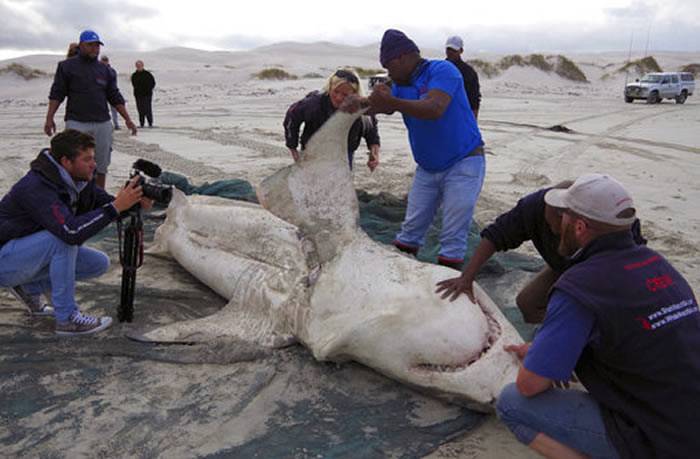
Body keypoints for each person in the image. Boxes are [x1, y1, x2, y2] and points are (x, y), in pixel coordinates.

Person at [496, 173, 700, 458]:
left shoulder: (581, 285)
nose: (556, 224)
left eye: (563, 216)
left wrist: (539, 363)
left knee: (512, 402)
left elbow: (530, 385)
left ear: (579, 226)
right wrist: (544, 351)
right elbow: (639, 339)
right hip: (688, 418)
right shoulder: (658, 265)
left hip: (658, 438)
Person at [0, 130, 149, 335]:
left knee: (98, 263)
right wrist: (115, 207)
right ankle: (68, 320)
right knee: (62, 239)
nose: (94, 164)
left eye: (94, 158)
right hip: (4, 259)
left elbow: (108, 205)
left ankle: (29, 287)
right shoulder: (36, 186)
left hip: (23, 256)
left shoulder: (79, 181)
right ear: (66, 162)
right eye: (86, 159)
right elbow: (71, 232)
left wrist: (133, 202)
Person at [435, 180, 646, 323]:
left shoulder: (610, 220)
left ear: (576, 220)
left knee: (599, 317)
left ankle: (579, 342)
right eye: (549, 220)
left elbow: (633, 264)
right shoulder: (533, 207)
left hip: (606, 274)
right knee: (528, 303)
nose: (553, 229)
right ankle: (557, 334)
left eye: (560, 225)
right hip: (562, 264)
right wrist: (467, 277)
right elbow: (494, 236)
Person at [367, 29, 485, 270]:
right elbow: (377, 106)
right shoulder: (399, 83)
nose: (388, 73)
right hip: (427, 168)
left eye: (389, 66)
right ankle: (400, 278)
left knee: (453, 236)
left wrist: (392, 102)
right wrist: (353, 105)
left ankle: (446, 294)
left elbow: (434, 107)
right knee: (410, 231)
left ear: (401, 58)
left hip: (464, 162)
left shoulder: (442, 71)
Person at [45, 30, 137, 190]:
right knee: (75, 164)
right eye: (90, 45)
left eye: (97, 45)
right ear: (81, 45)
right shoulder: (66, 67)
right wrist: (49, 118)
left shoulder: (105, 70)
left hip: (102, 123)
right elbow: (57, 93)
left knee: (101, 165)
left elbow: (114, 96)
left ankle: (98, 197)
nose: (95, 48)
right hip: (76, 122)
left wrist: (128, 119)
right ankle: (76, 198)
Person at [284, 68, 380, 171]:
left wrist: (374, 153)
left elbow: (371, 132)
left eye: (345, 95)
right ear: (330, 88)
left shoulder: (361, 109)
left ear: (355, 94)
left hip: (344, 153)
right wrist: (293, 149)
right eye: (335, 92)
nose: (338, 98)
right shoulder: (313, 104)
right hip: (313, 152)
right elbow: (292, 116)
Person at [444, 35, 481, 120]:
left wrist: (473, 121)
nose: (450, 52)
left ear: (461, 51)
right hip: (442, 114)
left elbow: (475, 99)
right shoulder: (439, 69)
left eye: (454, 50)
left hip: (461, 115)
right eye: (449, 49)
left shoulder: (469, 72)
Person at [131, 60, 156, 128]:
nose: (139, 67)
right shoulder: (134, 75)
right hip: (138, 95)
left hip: (147, 95)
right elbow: (134, 84)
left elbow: (153, 83)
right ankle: (142, 123)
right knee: (140, 109)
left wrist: (148, 90)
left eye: (140, 65)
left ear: (142, 65)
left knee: (147, 109)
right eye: (137, 65)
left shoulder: (147, 74)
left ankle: (150, 123)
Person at [100, 55, 121, 130]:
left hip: (111, 92)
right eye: (103, 60)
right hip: (101, 93)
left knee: (114, 109)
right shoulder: (98, 70)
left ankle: (116, 124)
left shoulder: (111, 71)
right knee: (103, 109)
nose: (104, 62)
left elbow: (113, 82)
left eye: (105, 60)